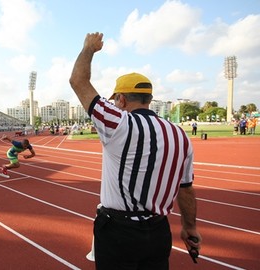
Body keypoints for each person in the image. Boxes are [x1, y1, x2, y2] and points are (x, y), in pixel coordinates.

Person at [69, 32, 201, 269]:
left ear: (120, 99)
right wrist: (190, 227)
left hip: (119, 232)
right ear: (148, 99)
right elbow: (186, 189)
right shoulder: (180, 135)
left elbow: (78, 81)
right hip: (159, 231)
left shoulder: (118, 123)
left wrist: (88, 48)